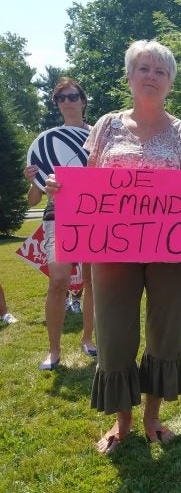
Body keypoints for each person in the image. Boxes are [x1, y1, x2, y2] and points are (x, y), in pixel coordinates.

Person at [47, 40, 181, 454]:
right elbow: (87, 183)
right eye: (144, 68)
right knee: (115, 334)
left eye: (160, 71)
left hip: (172, 255)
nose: (151, 76)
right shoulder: (105, 126)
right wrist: (61, 189)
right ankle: (122, 423)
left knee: (165, 334)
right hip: (111, 251)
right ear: (129, 76)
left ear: (170, 82)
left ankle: (152, 416)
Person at [24, 77, 97, 369]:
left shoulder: (98, 136)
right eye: (61, 98)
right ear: (57, 104)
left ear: (83, 100)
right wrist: (33, 181)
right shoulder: (47, 142)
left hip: (95, 216)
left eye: (72, 96)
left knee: (94, 281)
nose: (67, 101)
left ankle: (88, 340)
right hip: (60, 216)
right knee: (58, 280)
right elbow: (33, 200)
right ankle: (54, 351)